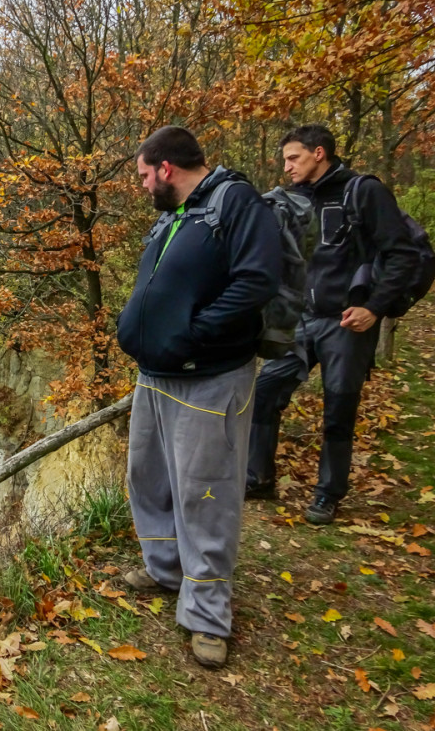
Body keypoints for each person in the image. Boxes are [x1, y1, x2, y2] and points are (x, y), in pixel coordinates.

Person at [117, 126, 281, 668]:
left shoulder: (237, 203)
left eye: (143, 174)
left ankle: (208, 615)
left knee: (205, 494)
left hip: (208, 377)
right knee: (149, 476)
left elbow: (256, 281)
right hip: (156, 376)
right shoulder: (176, 215)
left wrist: (195, 333)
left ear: (165, 168)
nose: (141, 185)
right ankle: (164, 568)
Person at [245, 125, 417, 525]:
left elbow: (402, 254)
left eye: (294, 158)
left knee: (339, 408)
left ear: (319, 153)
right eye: (285, 159)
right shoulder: (294, 198)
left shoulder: (364, 192)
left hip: (347, 323)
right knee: (265, 390)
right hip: (301, 322)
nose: (286, 166)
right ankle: (258, 478)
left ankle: (328, 494)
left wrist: (374, 308)